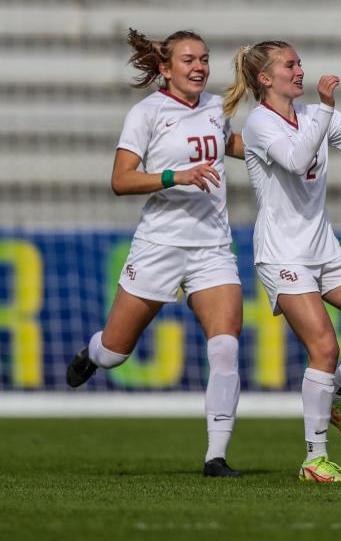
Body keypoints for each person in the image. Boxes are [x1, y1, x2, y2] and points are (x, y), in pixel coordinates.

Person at [66, 29, 246, 478]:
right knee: (115, 352)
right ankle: (93, 353)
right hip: (159, 245)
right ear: (165, 69)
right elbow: (121, 180)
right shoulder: (146, 113)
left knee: (225, 345)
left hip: (212, 245)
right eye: (189, 60)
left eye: (204, 58)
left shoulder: (214, 107)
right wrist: (174, 177)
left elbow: (234, 146)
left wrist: (290, 147)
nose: (200, 67)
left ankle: (216, 456)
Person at [225, 40, 341, 482]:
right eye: (290, 65)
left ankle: (337, 392)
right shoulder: (261, 123)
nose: (300, 70)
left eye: (300, 62)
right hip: (282, 254)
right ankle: (314, 459)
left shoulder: (310, 115)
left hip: (323, 248)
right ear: (266, 79)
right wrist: (325, 108)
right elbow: (297, 158)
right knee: (323, 346)